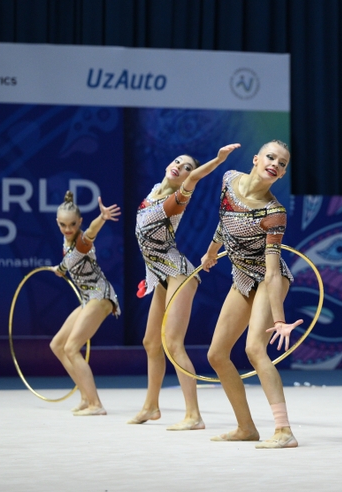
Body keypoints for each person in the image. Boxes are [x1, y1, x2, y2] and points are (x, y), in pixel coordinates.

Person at [129, 143, 241, 429]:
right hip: (160, 275)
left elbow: (191, 180)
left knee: (172, 343)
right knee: (151, 342)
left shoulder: (177, 199)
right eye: (177, 161)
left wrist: (217, 160)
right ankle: (151, 406)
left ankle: (193, 415)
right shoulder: (155, 190)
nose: (180, 166)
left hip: (178, 274)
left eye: (187, 167)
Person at [200, 140, 303, 449]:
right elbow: (225, 220)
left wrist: (280, 318)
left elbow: (272, 272)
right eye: (271, 157)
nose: (276, 163)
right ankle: (246, 427)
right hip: (242, 275)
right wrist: (210, 253)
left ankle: (284, 431)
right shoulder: (228, 178)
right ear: (257, 159)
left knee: (255, 350)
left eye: (282, 163)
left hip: (269, 279)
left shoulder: (274, 211)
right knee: (216, 354)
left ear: (283, 174)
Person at [49, 191, 121, 416]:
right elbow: (67, 263)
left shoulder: (82, 240)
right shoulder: (66, 239)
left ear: (79, 222)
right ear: (58, 223)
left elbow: (90, 233)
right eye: (63, 225)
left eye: (72, 224)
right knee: (58, 345)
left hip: (100, 296)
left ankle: (95, 404)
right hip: (87, 299)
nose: (68, 229)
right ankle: (84, 396)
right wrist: (59, 269)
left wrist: (101, 218)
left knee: (72, 348)